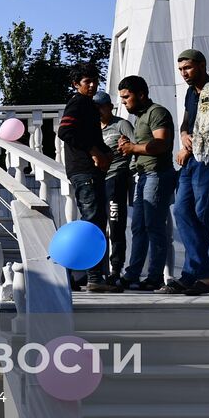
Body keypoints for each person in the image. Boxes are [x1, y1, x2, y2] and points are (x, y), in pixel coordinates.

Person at [165, 48, 209, 295]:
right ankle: (204, 273)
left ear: (202, 65)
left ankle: (190, 274)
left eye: (188, 68)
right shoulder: (189, 93)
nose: (184, 73)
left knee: (200, 215)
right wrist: (184, 136)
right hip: (191, 159)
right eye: (181, 69)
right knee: (182, 210)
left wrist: (196, 146)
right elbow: (185, 123)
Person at [56, 65, 113, 290]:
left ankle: (79, 276)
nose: (92, 85)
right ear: (76, 84)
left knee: (94, 221)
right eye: (87, 81)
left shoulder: (88, 105)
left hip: (89, 170)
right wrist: (95, 152)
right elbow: (65, 131)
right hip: (84, 170)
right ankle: (93, 278)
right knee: (93, 223)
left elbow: (87, 135)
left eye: (94, 81)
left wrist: (105, 152)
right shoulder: (79, 102)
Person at [116, 75, 175, 291]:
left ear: (141, 94)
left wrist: (133, 148)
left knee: (154, 227)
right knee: (138, 227)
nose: (124, 102)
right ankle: (132, 274)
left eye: (126, 97)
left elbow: (162, 144)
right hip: (143, 176)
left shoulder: (157, 112)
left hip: (157, 175)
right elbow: (144, 144)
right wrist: (129, 145)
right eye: (122, 98)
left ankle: (155, 277)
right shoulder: (139, 117)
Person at [94, 90, 135, 289]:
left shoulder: (121, 124)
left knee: (116, 224)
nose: (99, 111)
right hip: (97, 181)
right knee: (98, 226)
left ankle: (116, 269)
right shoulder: (92, 129)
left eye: (102, 107)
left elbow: (136, 147)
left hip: (116, 177)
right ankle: (97, 271)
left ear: (110, 106)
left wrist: (130, 169)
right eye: (95, 108)